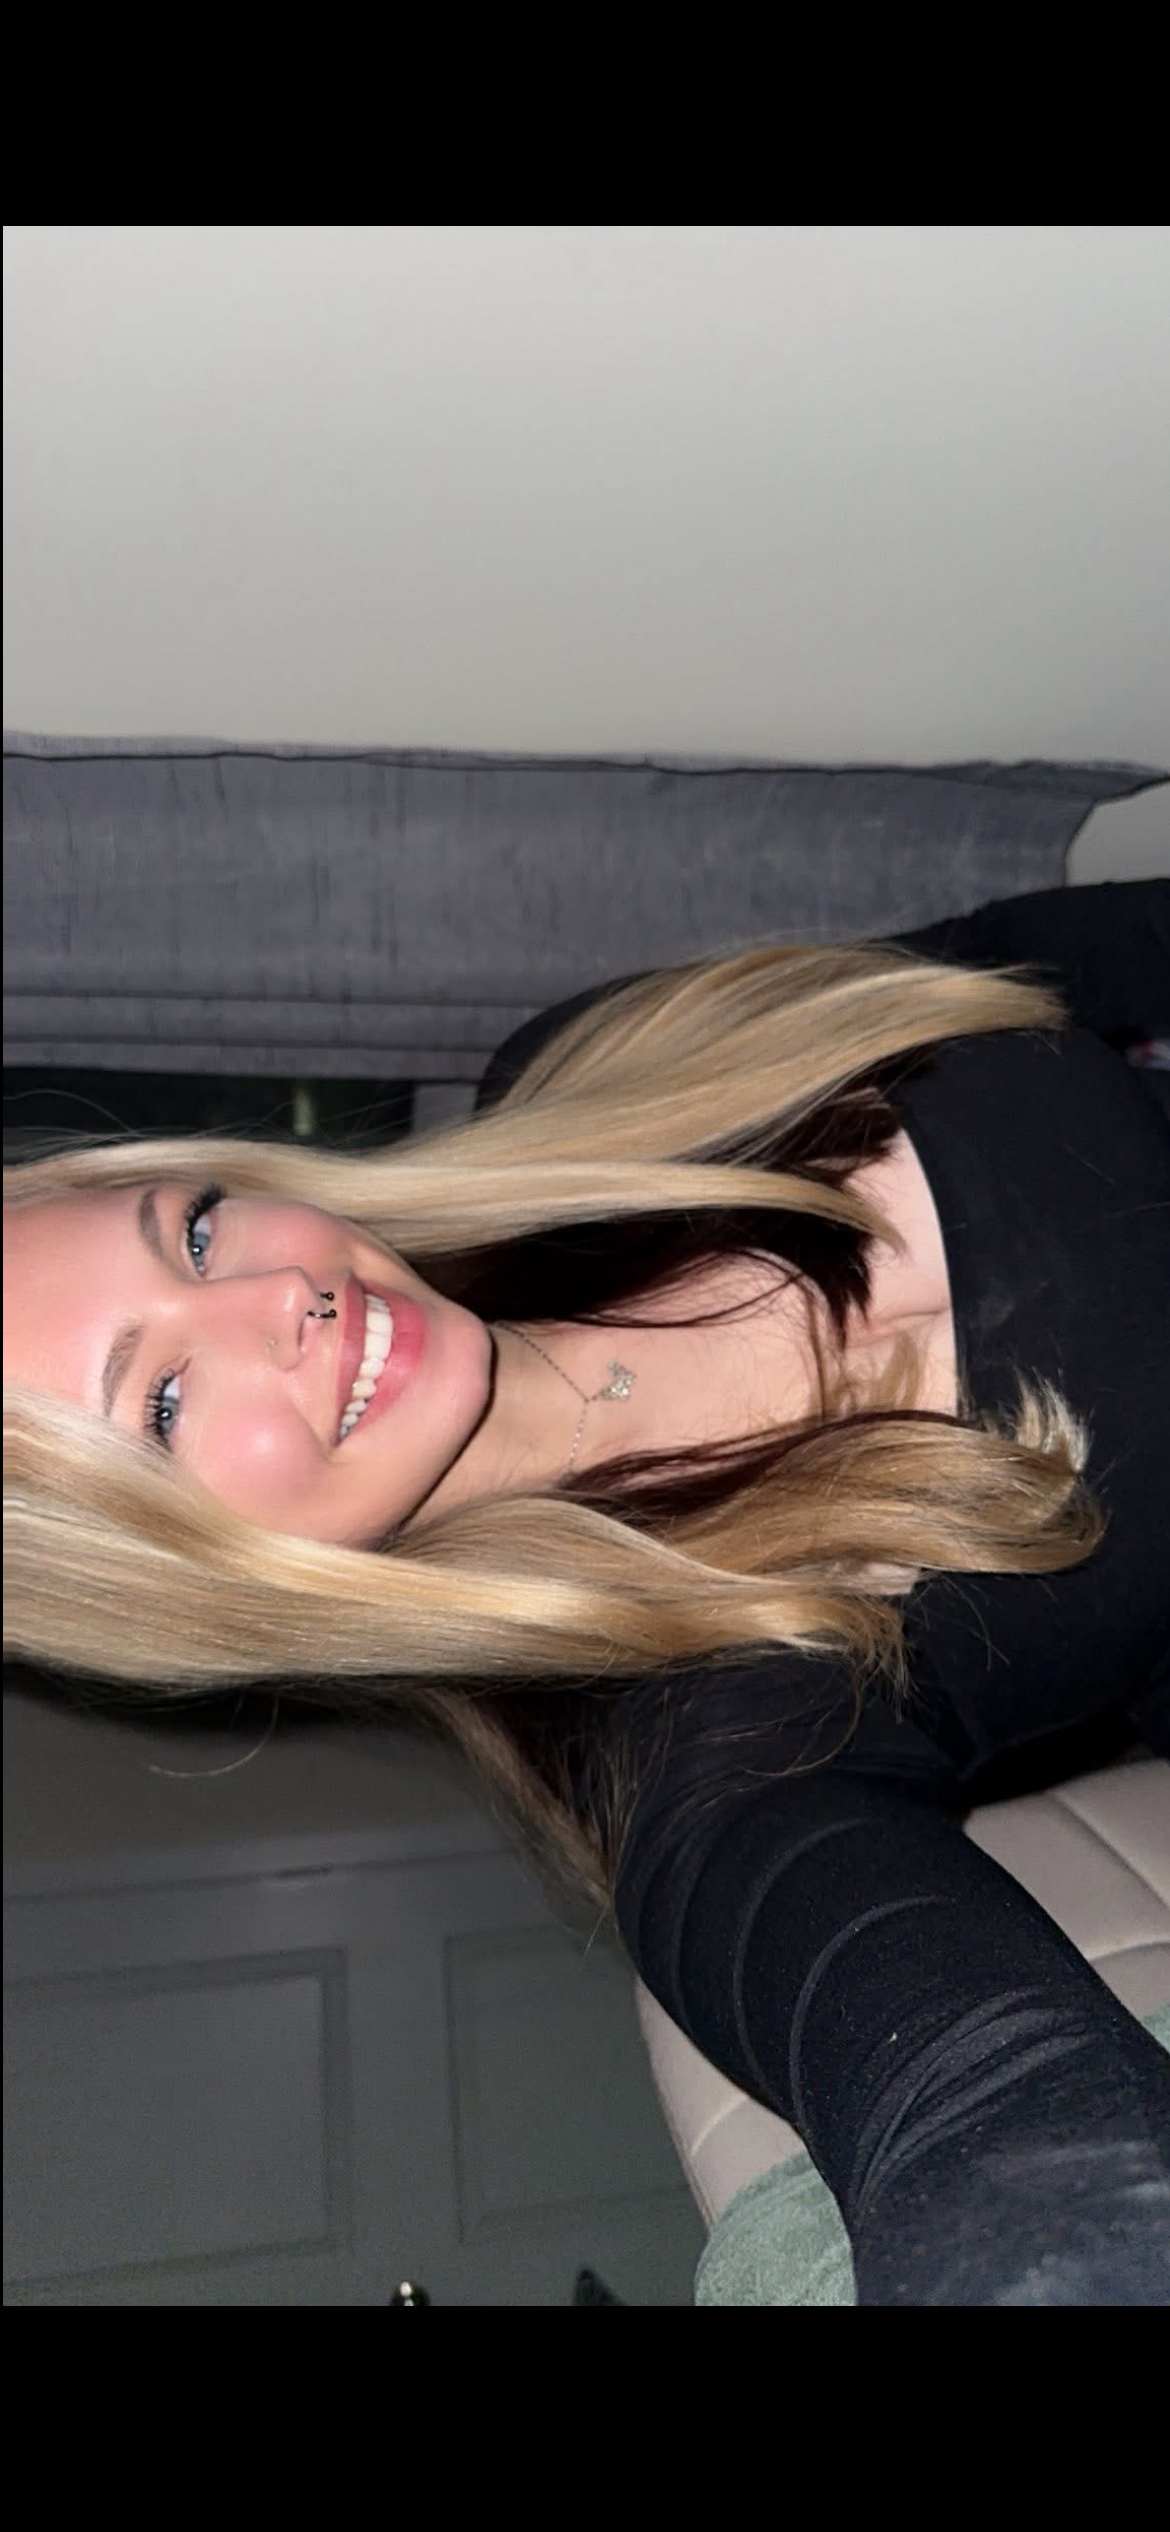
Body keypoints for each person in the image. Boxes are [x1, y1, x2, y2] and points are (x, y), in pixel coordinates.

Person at [5, 878, 1169, 2303]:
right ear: (201, 1590)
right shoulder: (707, 1755)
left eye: (194, 1234)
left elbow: (1040, 962)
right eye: (166, 1401)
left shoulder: (590, 1072)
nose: (279, 1303)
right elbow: (998, 2124)